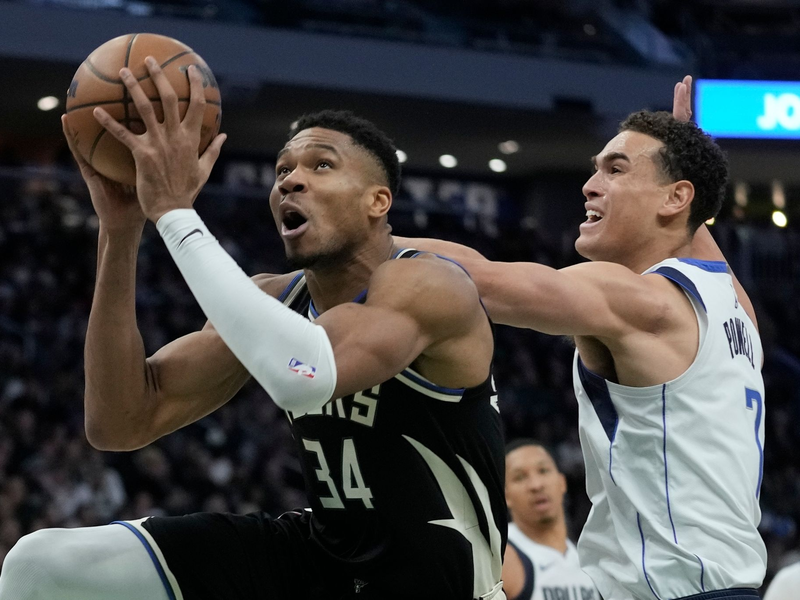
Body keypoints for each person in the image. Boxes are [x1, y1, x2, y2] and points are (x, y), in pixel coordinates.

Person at [0, 61, 507, 600]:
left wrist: (174, 213)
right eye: (282, 170)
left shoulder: (429, 282)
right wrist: (122, 231)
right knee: (41, 565)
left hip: (438, 584)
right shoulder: (273, 298)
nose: (290, 179)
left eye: (321, 165)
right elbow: (119, 422)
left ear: (377, 202)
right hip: (321, 556)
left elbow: (305, 373)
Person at [398, 77, 767, 599]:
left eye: (615, 169)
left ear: (674, 197)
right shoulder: (736, 306)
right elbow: (690, 223)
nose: (589, 185)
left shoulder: (645, 300)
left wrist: (358, 238)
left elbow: (471, 278)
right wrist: (685, 152)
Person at [501, 440, 599, 600]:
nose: (536, 485)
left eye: (543, 470)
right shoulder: (501, 558)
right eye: (519, 477)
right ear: (506, 496)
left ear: (562, 482)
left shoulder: (589, 561)